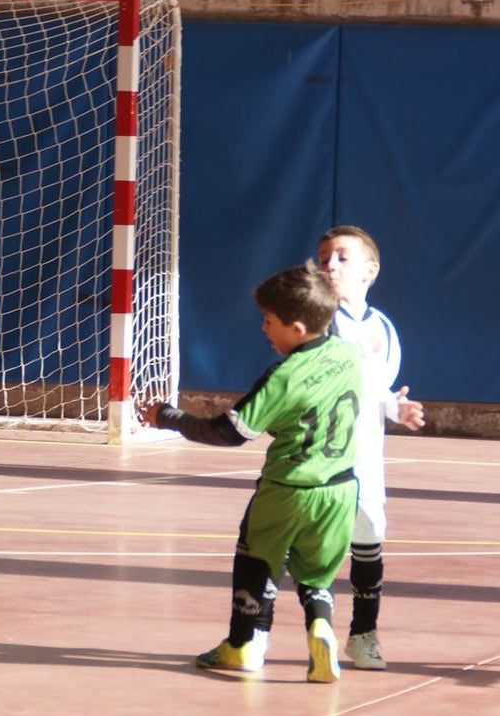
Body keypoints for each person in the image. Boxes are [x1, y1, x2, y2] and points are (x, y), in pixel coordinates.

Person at [144, 261, 363, 683]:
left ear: (297, 328)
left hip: (288, 489)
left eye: (269, 320)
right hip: (340, 490)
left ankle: (244, 645)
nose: (263, 329)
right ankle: (319, 624)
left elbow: (229, 433)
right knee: (317, 570)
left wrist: (169, 417)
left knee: (255, 557)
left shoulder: (283, 376)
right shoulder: (346, 353)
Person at [317, 225, 425, 670]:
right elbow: (337, 380)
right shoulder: (316, 321)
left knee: (368, 539)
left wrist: (395, 408)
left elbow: (376, 387)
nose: (329, 264)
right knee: (307, 545)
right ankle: (258, 631)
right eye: (323, 257)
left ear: (370, 271)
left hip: (365, 456)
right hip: (318, 454)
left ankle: (363, 635)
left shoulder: (382, 327)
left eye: (342, 257)